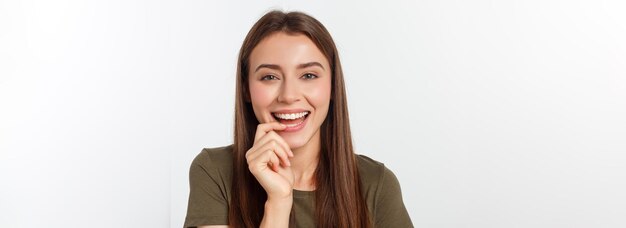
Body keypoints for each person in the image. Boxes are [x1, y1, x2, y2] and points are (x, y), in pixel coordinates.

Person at [184, 10, 413, 228]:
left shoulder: (376, 184)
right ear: (246, 88)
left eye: (308, 75)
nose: (289, 96)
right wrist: (278, 202)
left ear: (333, 86)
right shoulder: (214, 171)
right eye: (270, 77)